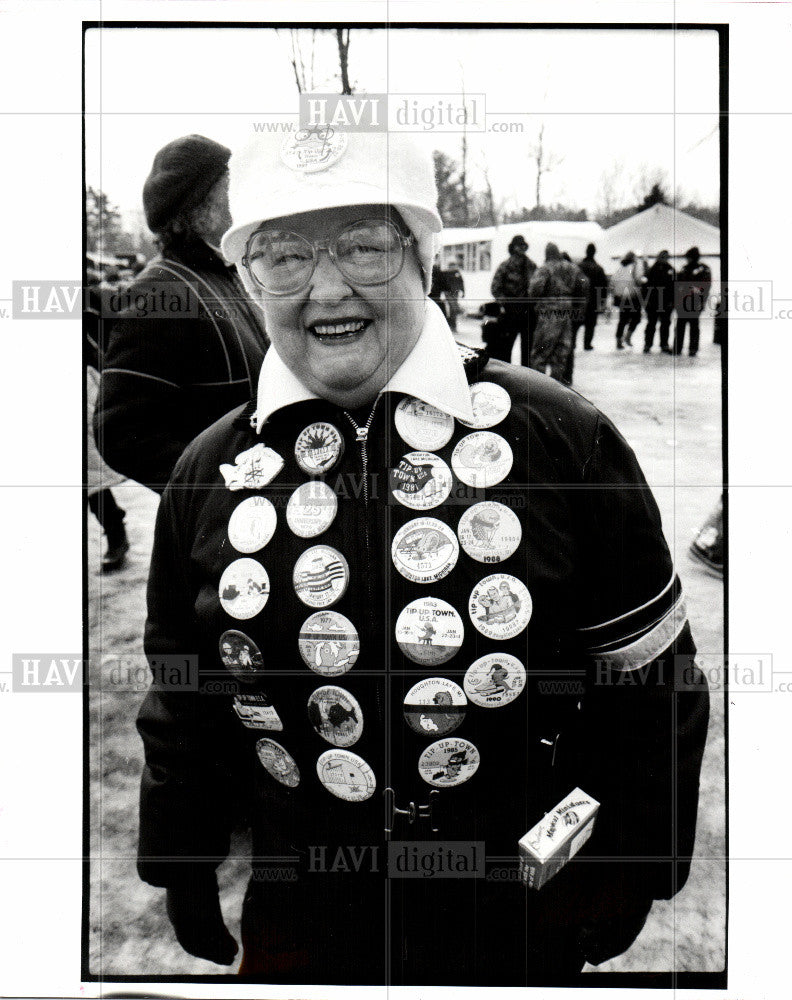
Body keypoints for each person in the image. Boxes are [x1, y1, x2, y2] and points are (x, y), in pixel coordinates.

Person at [136, 128, 709, 986]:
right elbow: (182, 686)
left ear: (424, 258)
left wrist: (637, 861)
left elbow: (652, 677)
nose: (326, 287)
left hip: (512, 898)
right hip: (303, 904)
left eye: (364, 247)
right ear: (251, 281)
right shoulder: (208, 468)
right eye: (284, 256)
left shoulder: (563, 437)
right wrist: (178, 852)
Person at [94, 135, 269, 493]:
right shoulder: (163, 291)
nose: (244, 197)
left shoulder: (225, 273)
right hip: (228, 523)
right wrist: (219, 492)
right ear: (199, 208)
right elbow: (121, 434)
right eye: (230, 188)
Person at [528, 242, 586, 386]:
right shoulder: (572, 268)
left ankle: (538, 386)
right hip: (567, 313)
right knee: (560, 353)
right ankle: (556, 385)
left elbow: (534, 290)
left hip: (548, 314)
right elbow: (584, 285)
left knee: (540, 352)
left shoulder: (545, 268)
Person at [490, 235, 536, 365]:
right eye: (518, 246)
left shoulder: (532, 265)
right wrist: (506, 303)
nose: (521, 249)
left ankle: (527, 380)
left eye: (523, 246)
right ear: (513, 248)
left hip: (528, 312)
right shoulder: (505, 266)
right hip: (511, 312)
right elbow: (495, 288)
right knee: (506, 349)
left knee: (528, 350)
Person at [673, 246, 712, 357]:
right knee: (680, 325)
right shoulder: (684, 268)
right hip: (682, 302)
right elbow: (677, 284)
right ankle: (678, 348)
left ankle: (693, 349)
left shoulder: (703, 269)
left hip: (695, 301)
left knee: (694, 325)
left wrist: (701, 299)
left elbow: (705, 286)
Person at [575, 243, 608, 351]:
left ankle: (573, 343)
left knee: (576, 323)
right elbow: (603, 286)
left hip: (579, 300)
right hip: (593, 300)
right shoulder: (598, 268)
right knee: (590, 324)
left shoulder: (578, 267)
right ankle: (587, 344)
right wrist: (602, 301)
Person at [643, 250, 676, 353]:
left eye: (666, 257)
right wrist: (646, 300)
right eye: (663, 257)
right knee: (651, 324)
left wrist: (673, 301)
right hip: (653, 301)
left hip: (666, 302)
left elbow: (675, 286)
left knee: (665, 324)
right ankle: (648, 344)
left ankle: (664, 344)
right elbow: (645, 287)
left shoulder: (671, 270)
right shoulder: (651, 270)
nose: (664, 259)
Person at [610, 251, 645, 349]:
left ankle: (618, 340)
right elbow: (638, 280)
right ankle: (627, 337)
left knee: (623, 320)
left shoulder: (619, 269)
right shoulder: (635, 267)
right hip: (632, 297)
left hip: (621, 297)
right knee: (636, 318)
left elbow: (612, 283)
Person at [444, 256, 466, 332]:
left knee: (453, 309)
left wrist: (463, 292)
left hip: (455, 293)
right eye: (451, 265)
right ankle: (451, 325)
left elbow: (461, 282)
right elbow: (443, 283)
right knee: (452, 308)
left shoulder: (457, 272)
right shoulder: (446, 273)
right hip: (448, 293)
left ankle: (453, 325)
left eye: (453, 265)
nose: (452, 267)